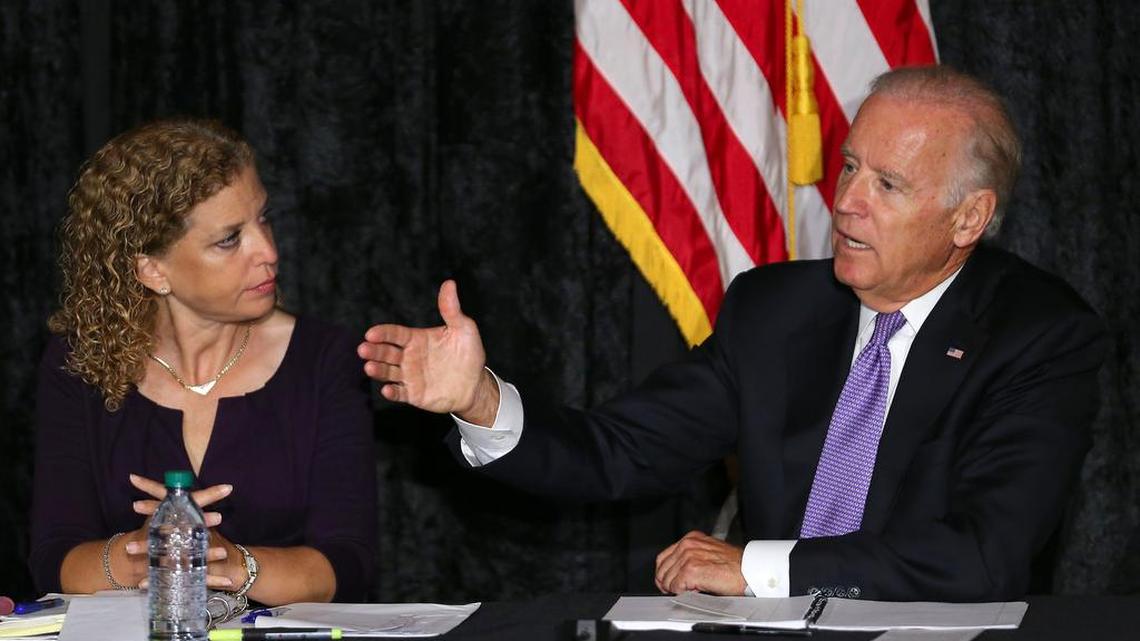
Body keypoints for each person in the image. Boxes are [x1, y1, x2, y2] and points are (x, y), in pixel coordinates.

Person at [358, 65, 1106, 602]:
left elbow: (984, 556)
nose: (845, 203)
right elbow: (619, 452)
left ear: (968, 217)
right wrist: (483, 401)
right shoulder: (775, 310)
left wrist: (755, 568)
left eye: (887, 185)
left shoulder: (1038, 335)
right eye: (849, 166)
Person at [30, 120, 376, 605]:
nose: (269, 253)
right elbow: (55, 557)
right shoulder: (79, 362)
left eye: (265, 219)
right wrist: (140, 555)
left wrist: (231, 563)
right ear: (153, 270)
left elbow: (350, 563)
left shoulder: (325, 359)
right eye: (230, 239)